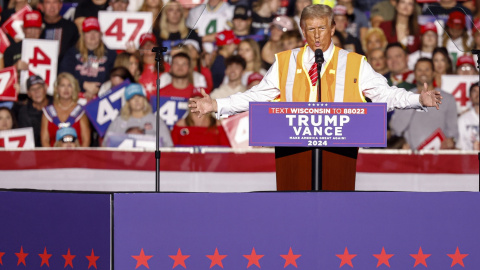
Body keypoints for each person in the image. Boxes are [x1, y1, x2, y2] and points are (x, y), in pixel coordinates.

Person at [189, 5, 443, 118]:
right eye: (311, 29)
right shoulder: (285, 61)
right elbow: (256, 96)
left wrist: (417, 99)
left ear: (333, 28)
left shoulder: (354, 63)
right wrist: (216, 105)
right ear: (302, 30)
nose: (317, 35)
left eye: (322, 28)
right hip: (293, 146)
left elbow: (385, 95)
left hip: (341, 147)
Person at [390, 58, 458, 150]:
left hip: (437, 156)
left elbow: (453, 132)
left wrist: (450, 141)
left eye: (427, 69)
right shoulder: (404, 97)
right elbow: (396, 129)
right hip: (410, 156)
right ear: (414, 73)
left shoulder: (447, 99)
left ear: (434, 72)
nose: (423, 73)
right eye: (419, 70)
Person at [59, 17, 117, 101]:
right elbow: (64, 75)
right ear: (82, 35)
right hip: (75, 97)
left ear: (100, 34)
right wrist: (83, 84)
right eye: (88, 32)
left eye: (95, 32)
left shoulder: (111, 54)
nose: (92, 35)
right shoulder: (71, 53)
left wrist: (100, 88)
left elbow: (116, 78)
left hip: (103, 98)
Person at [103, 83, 173, 146]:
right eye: (132, 98)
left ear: (144, 99)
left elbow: (168, 145)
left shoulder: (155, 120)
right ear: (128, 103)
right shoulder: (119, 121)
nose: (137, 100)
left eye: (139, 96)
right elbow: (105, 145)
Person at [41, 72, 91, 147]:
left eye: (69, 85)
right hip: (53, 156)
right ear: (57, 88)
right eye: (62, 85)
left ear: (74, 89)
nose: (66, 89)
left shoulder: (81, 111)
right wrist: (52, 158)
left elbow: (86, 141)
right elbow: (45, 140)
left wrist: (79, 157)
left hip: (76, 157)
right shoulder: (48, 112)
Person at [16, 75, 52, 146]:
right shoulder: (24, 112)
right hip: (34, 152)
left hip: (57, 149)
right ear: (29, 94)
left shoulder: (56, 105)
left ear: (45, 88)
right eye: (33, 89)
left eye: (39, 88)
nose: (36, 92)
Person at [457, 82, 479, 150]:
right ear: (470, 96)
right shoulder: (463, 119)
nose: (478, 94)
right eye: (474, 91)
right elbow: (459, 146)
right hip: (469, 158)